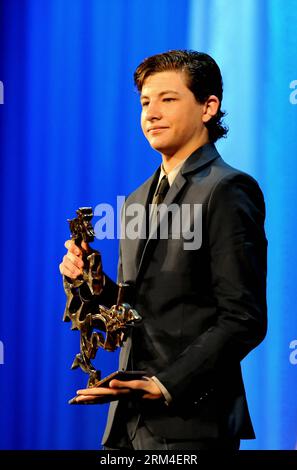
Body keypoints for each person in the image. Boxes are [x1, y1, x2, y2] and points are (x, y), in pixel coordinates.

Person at [59, 50, 267, 450]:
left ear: (208, 107)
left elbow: (244, 317)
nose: (151, 113)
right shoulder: (136, 200)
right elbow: (133, 309)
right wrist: (90, 281)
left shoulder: (227, 190)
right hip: (126, 425)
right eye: (145, 102)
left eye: (167, 99)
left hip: (192, 423)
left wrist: (164, 384)